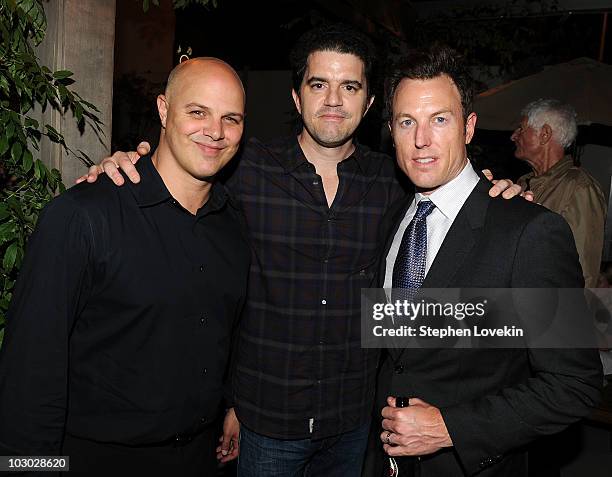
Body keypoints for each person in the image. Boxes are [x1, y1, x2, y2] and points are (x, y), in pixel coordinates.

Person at [80, 25, 524, 476]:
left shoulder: (396, 183)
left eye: (349, 87)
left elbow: (432, 301)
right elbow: (180, 175)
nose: (333, 100)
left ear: (370, 105)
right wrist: (122, 166)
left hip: (355, 426)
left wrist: (489, 196)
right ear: (296, 97)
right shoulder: (243, 168)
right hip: (267, 423)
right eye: (318, 85)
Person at [0, 57, 250, 476]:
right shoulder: (83, 216)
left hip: (198, 459)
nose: (216, 131)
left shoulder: (235, 225)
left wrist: (234, 404)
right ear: (164, 111)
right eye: (197, 112)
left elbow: (231, 334)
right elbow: (29, 375)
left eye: (232, 118)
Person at [371, 45, 602, 477]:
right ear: (391, 130)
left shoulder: (530, 231)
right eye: (407, 122)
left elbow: (575, 384)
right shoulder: (392, 220)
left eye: (440, 119)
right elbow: (397, 349)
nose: (421, 139)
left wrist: (451, 428)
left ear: (469, 127)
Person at [512, 99, 607, 288]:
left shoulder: (579, 188)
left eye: (521, 129)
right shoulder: (522, 184)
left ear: (545, 134)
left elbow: (584, 271)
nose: (514, 136)